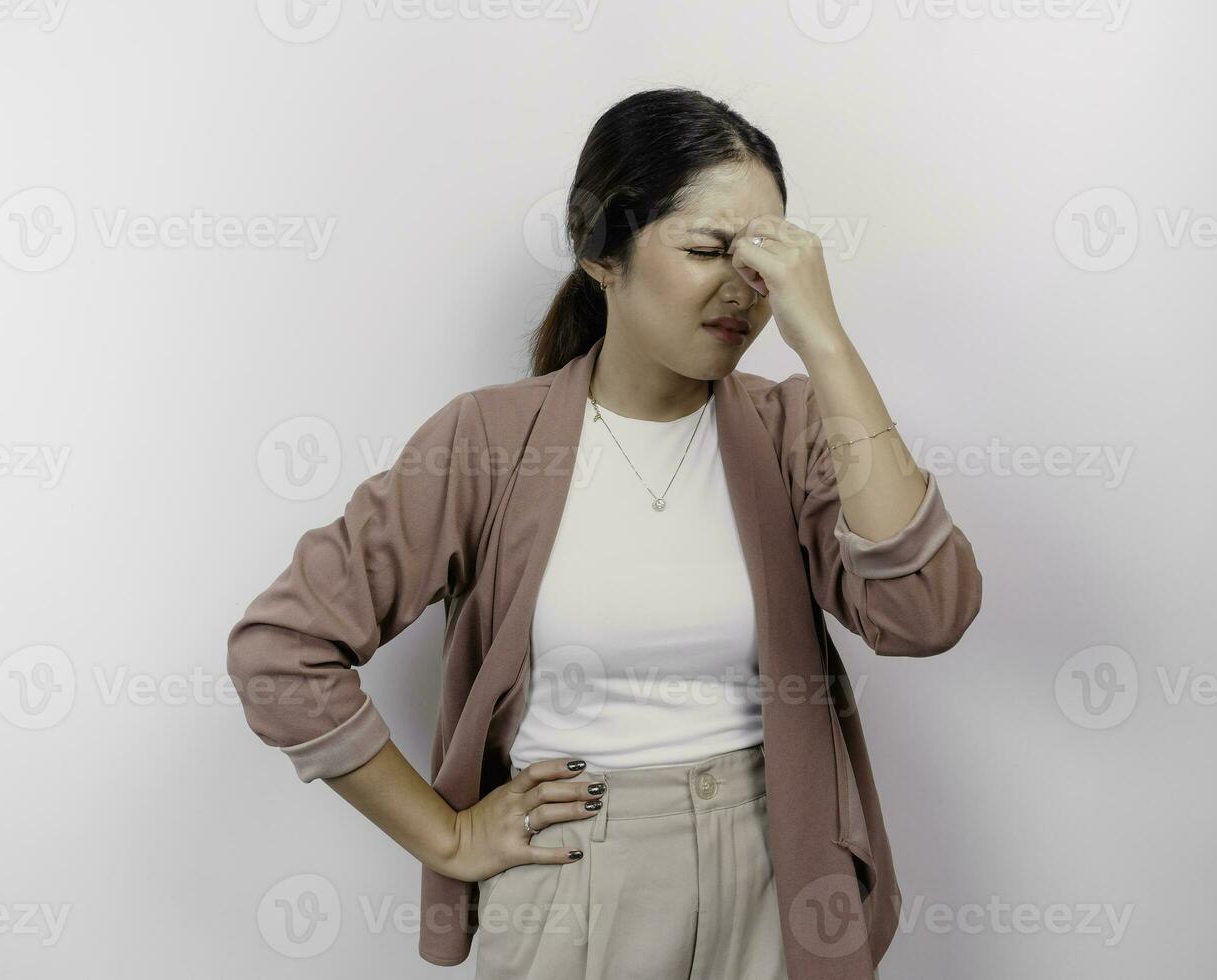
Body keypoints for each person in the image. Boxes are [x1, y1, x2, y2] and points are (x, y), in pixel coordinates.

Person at [226, 86, 983, 980]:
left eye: (767, 258)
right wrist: (447, 834)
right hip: (575, 880)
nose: (745, 285)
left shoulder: (793, 430)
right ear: (601, 254)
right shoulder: (487, 441)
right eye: (708, 248)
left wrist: (825, 340)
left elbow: (925, 614)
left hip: (780, 868)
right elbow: (282, 650)